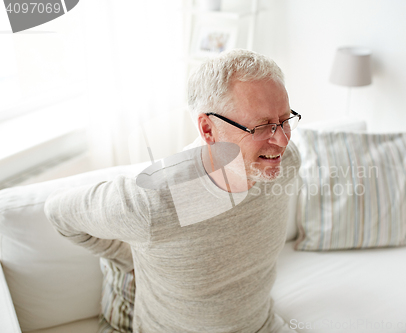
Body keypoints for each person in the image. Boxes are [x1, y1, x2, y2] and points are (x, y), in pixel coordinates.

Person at [45, 49, 301, 333]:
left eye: (285, 119)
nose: (281, 139)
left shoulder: (284, 162)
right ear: (208, 130)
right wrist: (129, 259)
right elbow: (58, 212)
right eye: (263, 126)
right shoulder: (153, 201)